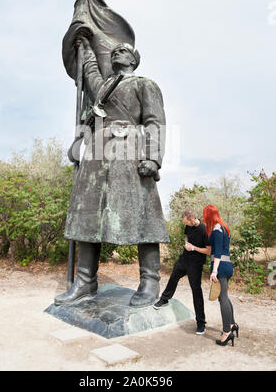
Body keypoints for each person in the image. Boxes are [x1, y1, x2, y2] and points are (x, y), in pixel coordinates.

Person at [54, 37, 169, 308]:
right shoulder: (103, 86)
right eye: (115, 50)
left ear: (133, 60)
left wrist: (153, 158)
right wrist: (85, 46)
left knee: (143, 212)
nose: (118, 51)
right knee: (88, 213)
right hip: (97, 151)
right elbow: (91, 73)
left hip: (128, 150)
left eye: (124, 50)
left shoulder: (145, 84)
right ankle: (85, 281)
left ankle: (150, 281)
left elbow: (154, 121)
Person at [153, 210, 211, 335]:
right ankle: (164, 299)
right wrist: (186, 243)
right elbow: (186, 235)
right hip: (184, 259)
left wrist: (194, 248)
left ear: (192, 219)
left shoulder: (204, 229)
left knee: (196, 290)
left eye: (186, 222)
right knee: (173, 277)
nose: (186, 224)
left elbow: (209, 251)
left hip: (196, 264)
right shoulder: (188, 226)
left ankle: (201, 323)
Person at [203, 204, 239, 346]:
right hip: (226, 265)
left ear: (208, 216)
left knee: (222, 298)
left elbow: (217, 252)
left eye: (205, 216)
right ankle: (232, 325)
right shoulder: (224, 227)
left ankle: (226, 333)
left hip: (221, 267)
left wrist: (214, 271)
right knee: (225, 296)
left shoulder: (217, 229)